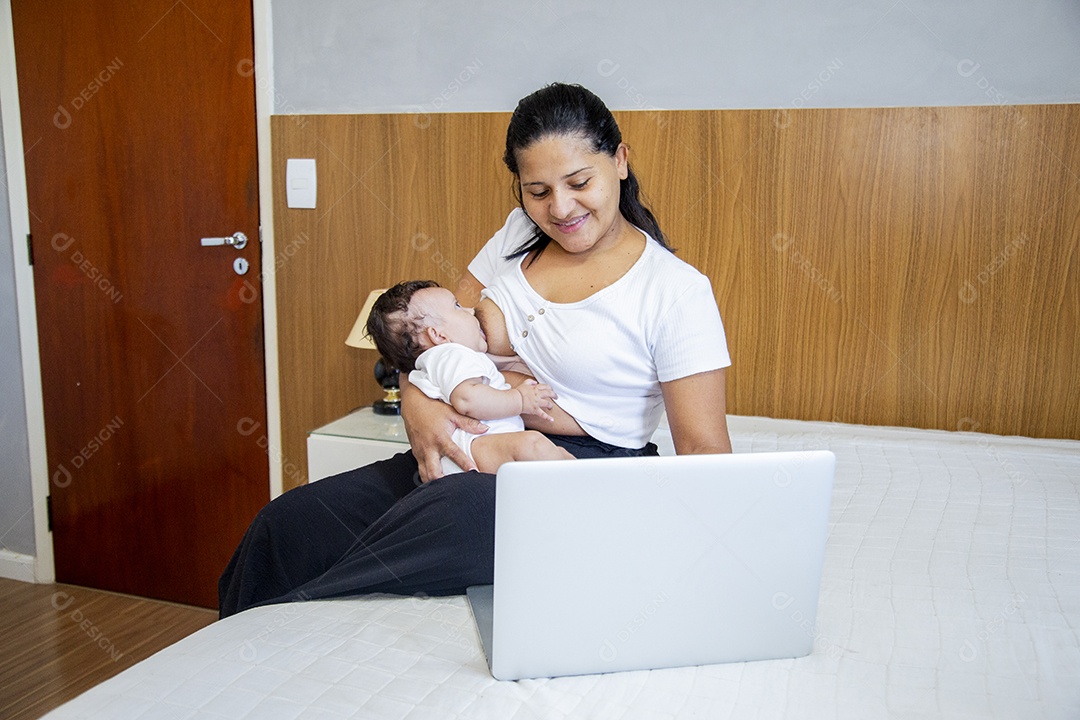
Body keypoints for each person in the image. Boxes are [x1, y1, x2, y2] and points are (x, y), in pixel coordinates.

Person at [218, 82, 731, 618]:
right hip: (471, 442)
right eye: (537, 191)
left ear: (620, 161)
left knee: (455, 512)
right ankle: (239, 637)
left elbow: (705, 453)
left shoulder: (675, 291)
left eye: (580, 183)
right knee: (287, 524)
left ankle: (286, 616)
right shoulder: (518, 234)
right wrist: (418, 405)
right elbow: (432, 338)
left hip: (578, 471)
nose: (560, 208)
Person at [364, 279, 574, 475]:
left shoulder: (433, 362)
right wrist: (520, 399)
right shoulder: (453, 355)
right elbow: (467, 400)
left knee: (555, 455)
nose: (471, 310)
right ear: (438, 335)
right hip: (474, 449)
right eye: (457, 306)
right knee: (533, 445)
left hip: (464, 451)